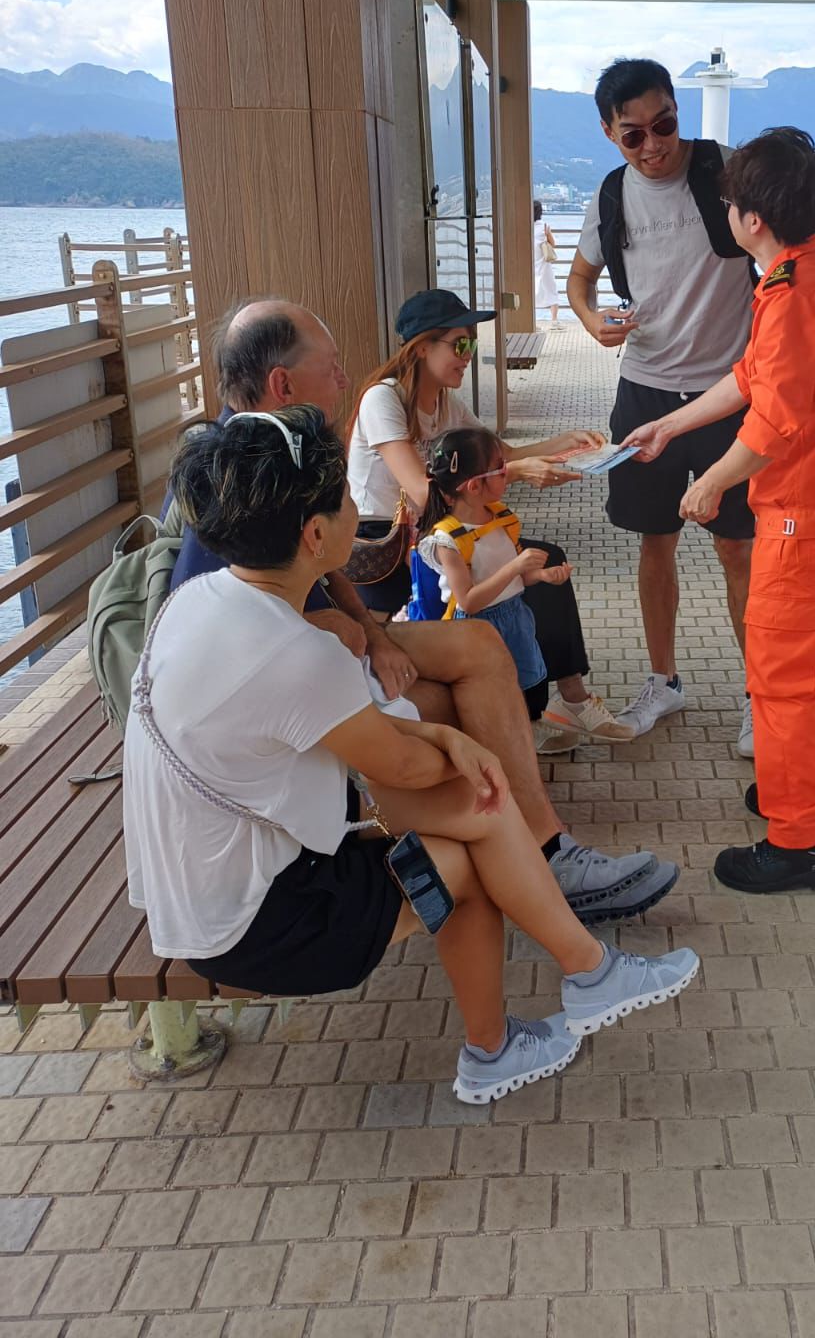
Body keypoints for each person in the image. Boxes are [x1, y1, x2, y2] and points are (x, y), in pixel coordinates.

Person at [125, 408, 698, 1104]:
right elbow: (399, 768)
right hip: (257, 923)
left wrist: (451, 740)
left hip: (208, 884)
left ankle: (581, 979)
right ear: (314, 536)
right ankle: (523, 1025)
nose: (361, 510)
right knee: (475, 844)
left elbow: (366, 733)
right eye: (345, 500)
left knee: (476, 812)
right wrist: (467, 755)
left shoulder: (204, 598)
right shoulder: (297, 652)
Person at [169, 297, 679, 924]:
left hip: (340, 639)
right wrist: (336, 628)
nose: (344, 380)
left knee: (482, 646)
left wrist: (371, 634)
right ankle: (524, 856)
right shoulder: (230, 469)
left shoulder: (288, 444)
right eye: (331, 367)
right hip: (286, 679)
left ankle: (538, 844)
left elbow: (325, 566)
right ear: (282, 383)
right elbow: (217, 624)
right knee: (450, 702)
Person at [624, 129, 815, 894]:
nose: (728, 212)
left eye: (731, 202)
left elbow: (773, 422)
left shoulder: (792, 293)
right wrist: (670, 425)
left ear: (751, 220)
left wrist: (710, 483)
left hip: (804, 521)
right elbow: (751, 376)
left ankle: (799, 842)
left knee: (782, 679)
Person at [566, 57, 760, 754]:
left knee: (739, 547)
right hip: (644, 390)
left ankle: (759, 696)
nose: (653, 146)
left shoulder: (726, 170)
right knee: (656, 540)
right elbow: (580, 279)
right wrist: (590, 320)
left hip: (730, 392)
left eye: (664, 125)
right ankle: (663, 681)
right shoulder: (610, 195)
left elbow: (793, 245)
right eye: (633, 135)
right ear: (609, 133)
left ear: (678, 111)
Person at [346, 288, 634, 748]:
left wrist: (565, 444)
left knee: (540, 561)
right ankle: (527, 713)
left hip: (439, 534)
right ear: (421, 347)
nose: (468, 354)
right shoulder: (383, 400)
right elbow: (423, 493)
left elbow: (504, 454)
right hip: (388, 542)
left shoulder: (446, 403)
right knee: (518, 570)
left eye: (472, 343)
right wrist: (516, 472)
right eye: (459, 344)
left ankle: (567, 701)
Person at [414, 426, 631, 737]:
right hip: (476, 630)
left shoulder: (501, 517)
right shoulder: (448, 540)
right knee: (489, 693)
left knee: (526, 684)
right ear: (474, 486)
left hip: (515, 617)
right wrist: (515, 566)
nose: (509, 473)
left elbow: (513, 580)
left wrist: (540, 576)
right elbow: (468, 602)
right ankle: (497, 744)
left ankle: (526, 732)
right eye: (501, 469)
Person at [533, 200, 560, 328]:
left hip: (530, 264)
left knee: (531, 293)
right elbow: (552, 244)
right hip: (544, 264)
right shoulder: (544, 226)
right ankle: (554, 321)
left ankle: (532, 322)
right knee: (551, 290)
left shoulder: (524, 226)